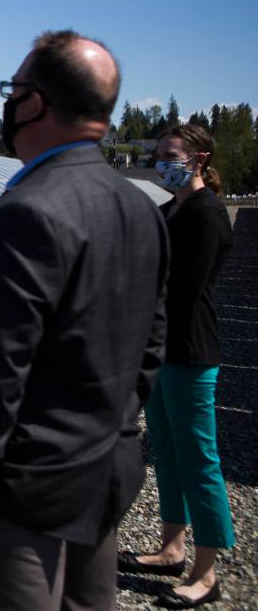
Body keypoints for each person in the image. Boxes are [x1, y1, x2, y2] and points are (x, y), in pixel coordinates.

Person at [0, 30, 169, 610]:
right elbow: (149, 345)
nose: (8, 104)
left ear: (35, 103)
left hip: (18, 495)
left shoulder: (30, 210)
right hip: (99, 473)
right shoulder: (137, 205)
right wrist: (110, 431)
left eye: (13, 89)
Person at [118, 124, 235, 609]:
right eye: (161, 155)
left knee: (199, 459)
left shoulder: (207, 216)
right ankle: (171, 548)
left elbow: (183, 288)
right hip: (161, 348)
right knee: (165, 450)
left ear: (199, 159)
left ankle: (207, 573)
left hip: (190, 349)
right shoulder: (170, 210)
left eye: (170, 155)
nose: (162, 162)